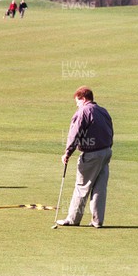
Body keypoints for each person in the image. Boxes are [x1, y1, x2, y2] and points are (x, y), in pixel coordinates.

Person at [58, 86, 113, 228]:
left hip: (91, 155)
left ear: (83, 98)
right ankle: (97, 221)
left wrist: (67, 153)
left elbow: (75, 134)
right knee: (99, 188)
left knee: (82, 187)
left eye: (77, 101)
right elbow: (110, 131)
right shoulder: (103, 111)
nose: (77, 104)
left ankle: (73, 219)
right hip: (106, 152)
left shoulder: (83, 111)